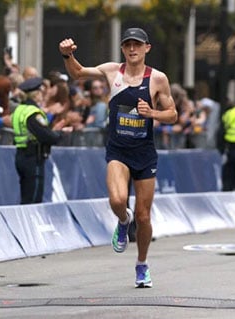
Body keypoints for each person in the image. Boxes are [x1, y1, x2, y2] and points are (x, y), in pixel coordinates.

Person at [59, 27, 178, 288]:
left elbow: (172, 114)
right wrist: (67, 56)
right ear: (123, 49)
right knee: (117, 200)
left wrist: (153, 114)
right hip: (119, 150)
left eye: (137, 45)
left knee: (144, 216)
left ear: (147, 48)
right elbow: (79, 73)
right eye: (128, 45)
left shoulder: (157, 79)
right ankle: (124, 221)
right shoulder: (113, 71)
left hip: (145, 153)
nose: (132, 49)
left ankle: (142, 264)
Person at [11, 77, 67, 204]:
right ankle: (29, 223)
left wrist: (52, 131)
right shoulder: (32, 112)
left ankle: (24, 223)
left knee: (25, 196)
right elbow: (46, 136)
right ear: (37, 94)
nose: (43, 96)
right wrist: (60, 133)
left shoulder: (20, 109)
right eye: (42, 93)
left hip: (21, 155)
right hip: (33, 157)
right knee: (33, 199)